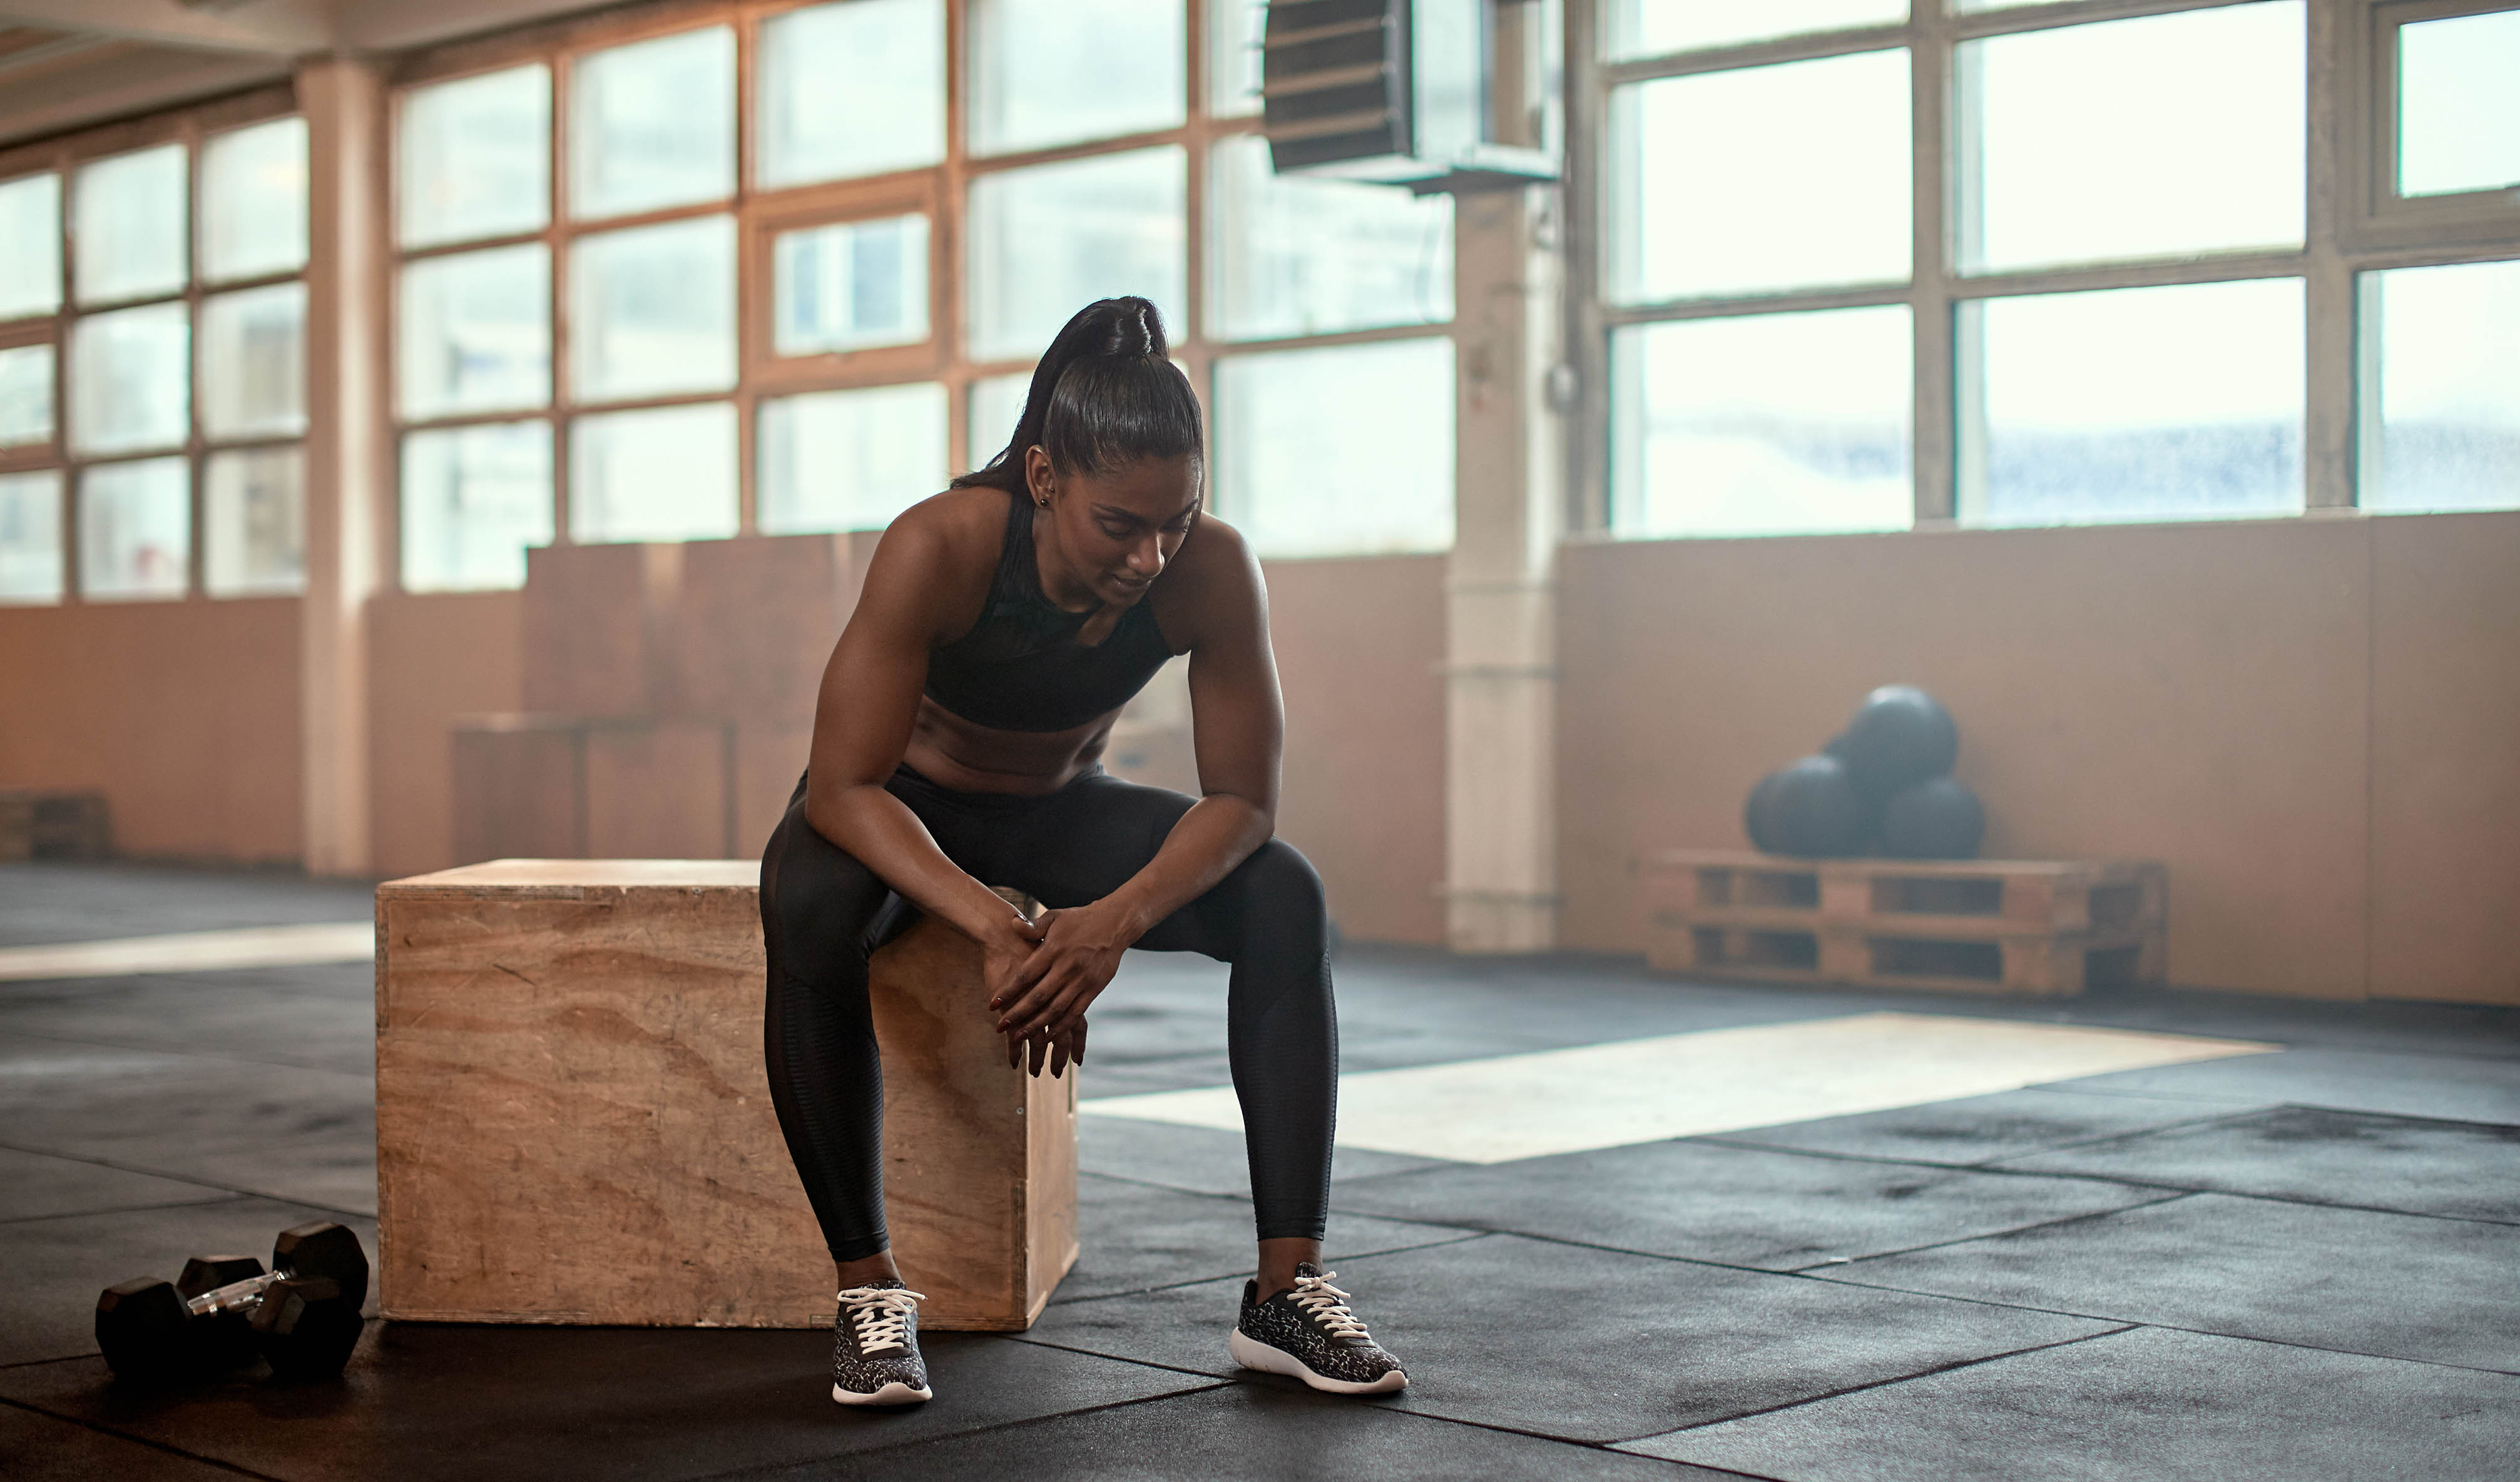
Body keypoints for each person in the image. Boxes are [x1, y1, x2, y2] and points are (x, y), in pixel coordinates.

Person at [759, 297, 1406, 1407]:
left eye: (1177, 519)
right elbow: (843, 786)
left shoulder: (1212, 569)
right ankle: (868, 1291)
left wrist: (1110, 924)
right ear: (1048, 477)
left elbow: (1244, 801)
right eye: (1121, 525)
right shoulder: (945, 543)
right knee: (809, 900)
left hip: (1062, 805)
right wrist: (1003, 932)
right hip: (907, 808)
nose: (1150, 556)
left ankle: (1285, 1290)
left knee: (1284, 897)